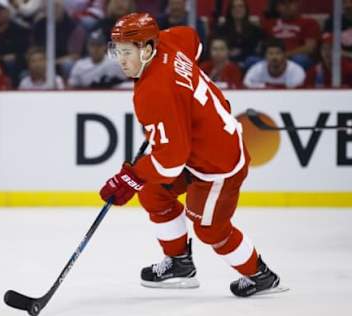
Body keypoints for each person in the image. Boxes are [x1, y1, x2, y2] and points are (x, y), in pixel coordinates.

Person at [100, 12, 281, 297]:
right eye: (117, 50)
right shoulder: (168, 42)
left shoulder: (153, 92)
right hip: (197, 150)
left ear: (147, 49)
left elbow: (170, 162)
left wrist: (131, 177)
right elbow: (192, 39)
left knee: (210, 229)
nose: (120, 60)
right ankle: (179, 263)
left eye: (126, 52)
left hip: (217, 165)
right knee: (153, 192)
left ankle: (260, 276)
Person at [261, 0, 320, 70]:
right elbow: (263, 45)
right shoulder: (270, 24)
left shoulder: (309, 22)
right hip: (273, 58)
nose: (287, 6)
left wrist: (284, 55)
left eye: (291, 2)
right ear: (277, 7)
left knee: (301, 59)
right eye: (283, 3)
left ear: (298, 4)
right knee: (251, 60)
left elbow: (310, 48)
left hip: (295, 58)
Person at [212, 0, 263, 69]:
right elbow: (219, 44)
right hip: (227, 59)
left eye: (240, 7)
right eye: (234, 7)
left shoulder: (255, 30)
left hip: (248, 61)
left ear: (246, 9)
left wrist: (241, 52)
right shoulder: (222, 29)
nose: (237, 9)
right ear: (230, 10)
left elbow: (256, 48)